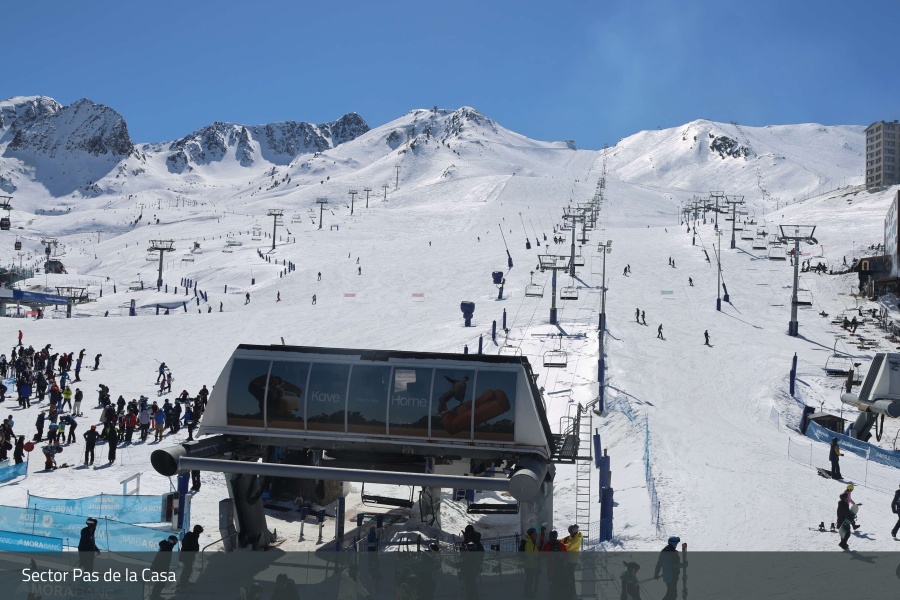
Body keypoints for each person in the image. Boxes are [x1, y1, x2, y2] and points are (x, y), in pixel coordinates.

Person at [149, 535, 179, 600]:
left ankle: (155, 595)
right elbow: (162, 560)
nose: (173, 543)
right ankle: (154, 596)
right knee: (161, 583)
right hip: (161, 568)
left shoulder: (166, 546)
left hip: (160, 567)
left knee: (160, 583)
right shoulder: (166, 548)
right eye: (172, 541)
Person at [654, 536, 682, 600]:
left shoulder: (663, 551)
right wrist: (684, 565)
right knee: (672, 594)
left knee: (670, 593)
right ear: (674, 543)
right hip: (673, 576)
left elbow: (659, 564)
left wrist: (656, 574)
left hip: (667, 577)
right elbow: (674, 565)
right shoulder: (673, 552)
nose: (677, 544)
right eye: (677, 543)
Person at [519, 526, 544, 598]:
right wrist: (534, 567)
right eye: (535, 533)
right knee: (529, 581)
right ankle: (528, 595)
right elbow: (530, 557)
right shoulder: (529, 543)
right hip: (530, 566)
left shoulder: (532, 542)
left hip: (531, 565)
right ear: (531, 534)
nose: (536, 534)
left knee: (530, 580)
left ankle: (528, 593)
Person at [178, 524, 203, 588]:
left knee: (187, 569)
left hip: (187, 556)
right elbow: (193, 547)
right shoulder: (193, 536)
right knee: (187, 569)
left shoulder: (190, 535)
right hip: (187, 556)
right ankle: (182, 583)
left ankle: (184, 582)